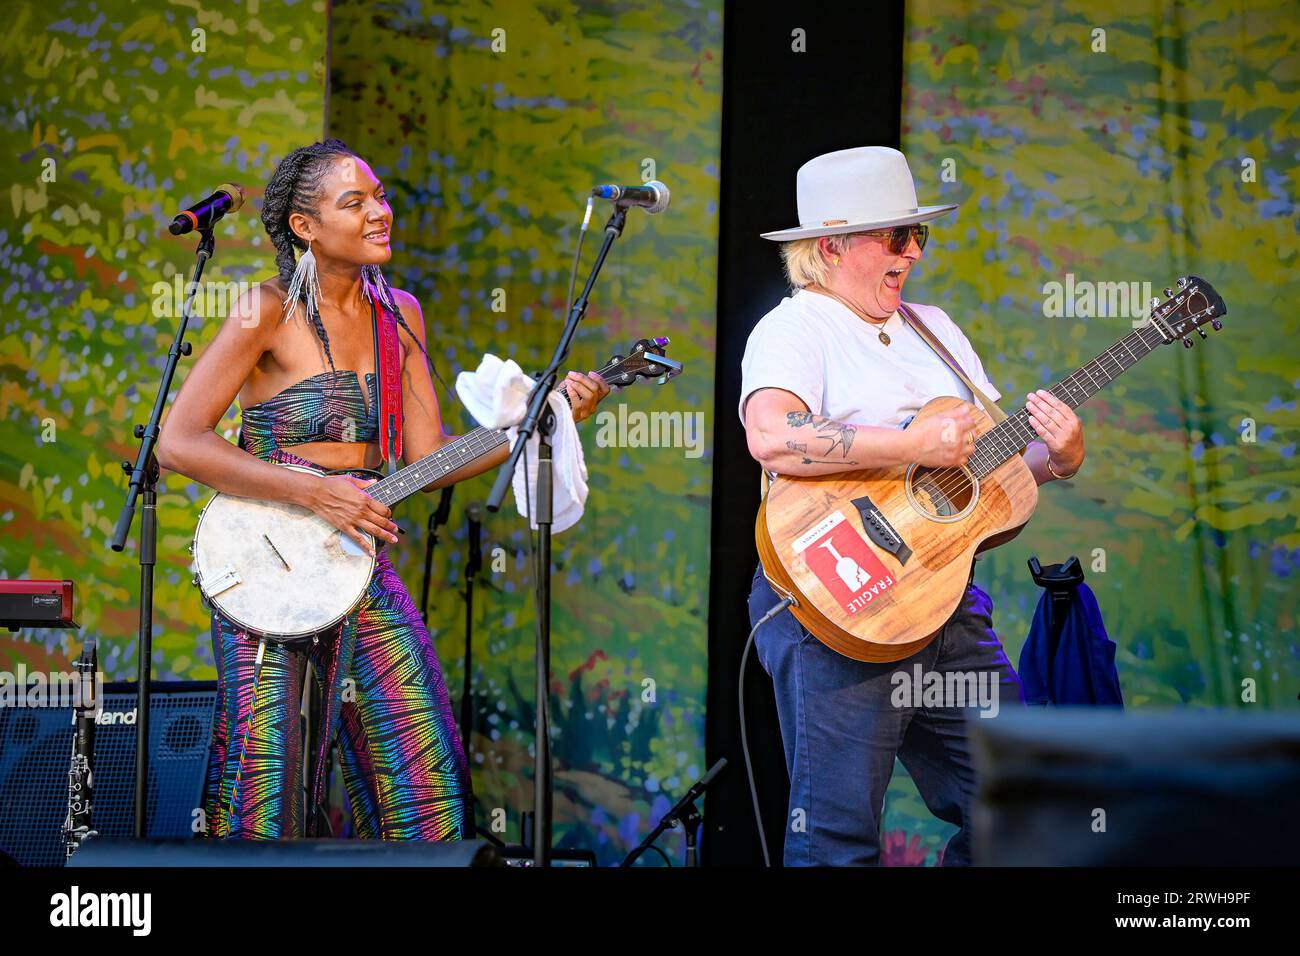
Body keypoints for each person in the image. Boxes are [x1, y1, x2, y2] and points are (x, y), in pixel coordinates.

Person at [156, 139, 610, 840]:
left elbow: (426, 460)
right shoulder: (264, 309)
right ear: (305, 226)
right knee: (262, 787)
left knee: (423, 782)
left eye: (381, 196)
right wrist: (313, 492)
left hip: (360, 564)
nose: (379, 212)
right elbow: (180, 441)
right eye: (355, 201)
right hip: (264, 567)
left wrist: (541, 418)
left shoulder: (400, 312)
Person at [740, 146, 1085, 866]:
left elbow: (981, 467)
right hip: (842, 602)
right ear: (832, 245)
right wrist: (911, 445)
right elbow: (772, 436)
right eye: (897, 237)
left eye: (917, 235)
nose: (913, 253)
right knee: (837, 844)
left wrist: (1053, 460)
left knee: (1023, 806)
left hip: (945, 602)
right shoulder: (794, 329)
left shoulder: (934, 329)